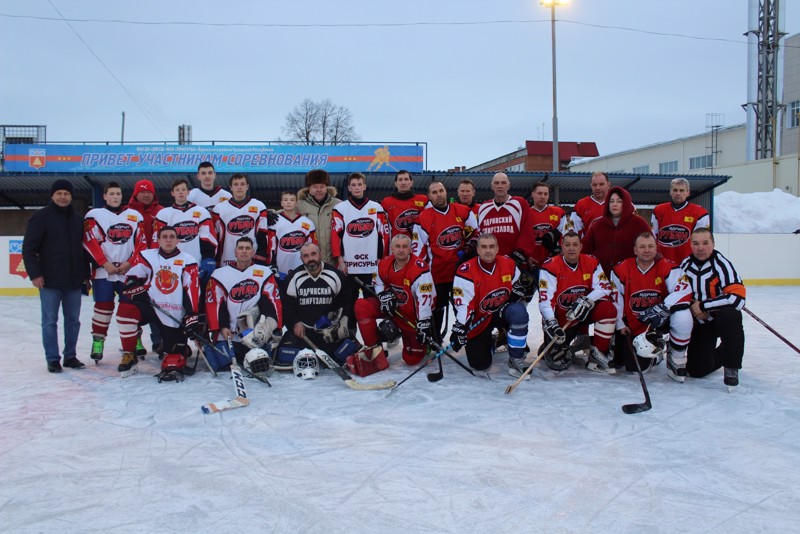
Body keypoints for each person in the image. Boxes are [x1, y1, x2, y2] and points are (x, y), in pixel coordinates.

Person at [22, 179, 89, 373]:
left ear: (71, 196)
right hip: (50, 281)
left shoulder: (77, 219)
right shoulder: (41, 217)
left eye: (66, 194)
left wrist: (85, 276)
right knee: (50, 321)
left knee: (73, 321)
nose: (62, 197)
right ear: (52, 195)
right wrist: (35, 274)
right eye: (59, 193)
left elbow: (82, 251)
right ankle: (53, 359)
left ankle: (70, 356)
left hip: (74, 281)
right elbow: (29, 249)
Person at [117, 226, 200, 377]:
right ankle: (129, 354)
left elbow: (192, 290)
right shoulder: (147, 256)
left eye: (172, 237)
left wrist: (191, 316)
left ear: (177, 240)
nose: (168, 240)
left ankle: (176, 347)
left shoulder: (188, 260)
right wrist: (138, 292)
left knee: (175, 352)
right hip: (150, 306)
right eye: (165, 237)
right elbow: (129, 281)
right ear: (159, 239)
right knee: (125, 310)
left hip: (173, 312)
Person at [611, 233, 693, 380]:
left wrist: (662, 308)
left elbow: (684, 290)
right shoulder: (621, 269)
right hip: (636, 324)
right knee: (635, 367)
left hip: (661, 321)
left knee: (683, 315)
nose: (646, 250)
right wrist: (621, 324)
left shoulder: (669, 267)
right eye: (642, 247)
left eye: (650, 246)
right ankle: (658, 351)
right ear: (635, 250)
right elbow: (616, 299)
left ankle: (676, 357)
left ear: (656, 248)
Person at [450, 234, 533, 376]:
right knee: (480, 365)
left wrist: (521, 292)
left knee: (518, 312)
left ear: (497, 249)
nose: (488, 251)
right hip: (478, 318)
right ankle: (491, 341)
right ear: (478, 250)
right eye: (483, 247)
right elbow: (464, 305)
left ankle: (516, 358)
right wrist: (460, 328)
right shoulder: (465, 270)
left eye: (491, 247)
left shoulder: (508, 264)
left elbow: (519, 290)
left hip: (500, 311)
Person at [82, 182, 146, 363]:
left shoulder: (134, 216)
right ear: (105, 196)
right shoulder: (94, 215)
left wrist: (130, 263)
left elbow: (141, 243)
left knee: (131, 308)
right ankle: (98, 341)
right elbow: (89, 240)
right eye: (111, 193)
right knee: (103, 307)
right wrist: (103, 263)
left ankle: (135, 340)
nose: (115, 197)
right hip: (104, 272)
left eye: (118, 193)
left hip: (128, 272)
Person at [537, 232, 617, 374]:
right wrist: (551, 322)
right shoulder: (550, 266)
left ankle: (597, 353)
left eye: (575, 245)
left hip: (583, 313)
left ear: (581, 246)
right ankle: (554, 345)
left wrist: (586, 301)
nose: (571, 248)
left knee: (608, 309)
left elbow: (604, 287)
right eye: (567, 245)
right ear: (562, 246)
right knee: (556, 360)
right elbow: (545, 301)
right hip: (562, 319)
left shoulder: (591, 262)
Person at [412, 180, 478, 340]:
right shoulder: (423, 218)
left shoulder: (462, 211)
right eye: (434, 192)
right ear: (429, 196)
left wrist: (469, 249)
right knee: (437, 309)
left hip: (461, 274)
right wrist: (422, 274)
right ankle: (434, 339)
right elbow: (417, 250)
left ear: (446, 192)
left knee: (463, 307)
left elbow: (476, 235)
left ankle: (466, 337)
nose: (438, 195)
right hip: (437, 274)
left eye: (440, 191)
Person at [355, 234, 436, 365]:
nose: (401, 250)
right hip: (394, 309)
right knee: (362, 306)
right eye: (397, 246)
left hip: (411, 317)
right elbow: (377, 280)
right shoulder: (386, 263)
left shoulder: (419, 269)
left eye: (405, 246)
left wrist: (424, 322)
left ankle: (419, 342)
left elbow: (426, 299)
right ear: (392, 248)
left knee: (411, 359)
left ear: (411, 249)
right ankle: (374, 350)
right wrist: (383, 295)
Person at [680, 228, 746, 387]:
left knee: (731, 315)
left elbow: (738, 299)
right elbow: (677, 294)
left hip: (720, 320)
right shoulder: (685, 265)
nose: (701, 248)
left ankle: (732, 364)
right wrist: (692, 307)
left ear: (713, 244)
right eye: (696, 243)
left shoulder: (723, 265)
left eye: (705, 243)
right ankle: (724, 351)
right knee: (696, 370)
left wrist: (703, 306)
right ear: (690, 245)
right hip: (701, 323)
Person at [206, 237, 283, 370]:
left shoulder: (264, 273)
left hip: (254, 334)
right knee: (223, 365)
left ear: (253, 252)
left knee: (259, 365)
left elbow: (273, 301)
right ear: (235, 252)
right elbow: (214, 304)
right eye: (240, 248)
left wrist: (274, 327)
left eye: (247, 248)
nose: (244, 251)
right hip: (228, 334)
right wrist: (222, 327)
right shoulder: (219, 274)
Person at [278, 243, 357, 365]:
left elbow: (346, 302)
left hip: (329, 333)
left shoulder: (336, 276)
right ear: (301, 259)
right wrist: (295, 323)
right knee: (284, 356)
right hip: (304, 332)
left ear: (320, 255)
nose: (310, 259)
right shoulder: (293, 278)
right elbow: (287, 305)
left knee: (346, 354)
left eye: (313, 254)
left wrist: (340, 323)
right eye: (306, 256)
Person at [331, 172, 390, 303]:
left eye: (359, 184)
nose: (357, 187)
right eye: (353, 185)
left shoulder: (376, 208)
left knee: (372, 303)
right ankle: (351, 325)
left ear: (364, 186)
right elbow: (335, 236)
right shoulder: (340, 208)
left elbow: (384, 236)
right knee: (349, 302)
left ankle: (370, 325)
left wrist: (382, 259)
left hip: (372, 266)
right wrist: (340, 261)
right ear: (349, 188)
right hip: (349, 266)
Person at [152, 178, 217, 286]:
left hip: (196, 263)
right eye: (177, 190)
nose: (181, 192)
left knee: (195, 299)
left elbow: (208, 238)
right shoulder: (164, 214)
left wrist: (208, 258)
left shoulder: (201, 212)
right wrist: (157, 262)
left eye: (183, 189)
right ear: (172, 193)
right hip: (170, 265)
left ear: (188, 192)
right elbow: (157, 241)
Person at [126, 178, 164, 354]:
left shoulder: (162, 212)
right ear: (135, 194)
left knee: (157, 303)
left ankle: (158, 342)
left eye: (149, 191)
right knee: (134, 304)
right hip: (134, 266)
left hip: (156, 266)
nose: (146, 194)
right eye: (142, 192)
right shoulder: (127, 213)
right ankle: (136, 340)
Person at [581, 186, 651, 275]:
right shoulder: (598, 225)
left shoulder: (639, 223)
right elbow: (583, 248)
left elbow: (653, 248)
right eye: (611, 201)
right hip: (602, 278)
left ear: (626, 203)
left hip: (630, 278)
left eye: (619, 201)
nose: (614, 204)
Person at [212, 173, 271, 267]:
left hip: (252, 259)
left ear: (247, 186)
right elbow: (214, 237)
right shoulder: (219, 209)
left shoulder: (258, 206)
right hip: (226, 259)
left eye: (242, 184)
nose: (239, 187)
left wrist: (260, 256)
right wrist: (214, 258)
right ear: (231, 187)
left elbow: (262, 235)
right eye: (236, 184)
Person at [476, 172, 532, 265]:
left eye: (503, 183)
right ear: (492, 186)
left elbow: (527, 231)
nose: (500, 186)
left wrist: (520, 255)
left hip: (513, 261)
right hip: (489, 261)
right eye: (497, 183)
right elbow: (479, 234)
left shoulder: (520, 203)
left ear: (508, 186)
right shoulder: (483, 207)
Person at [651, 178, 711, 264]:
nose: (678, 193)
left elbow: (701, 242)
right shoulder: (659, 210)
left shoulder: (699, 213)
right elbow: (653, 236)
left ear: (688, 192)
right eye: (675, 190)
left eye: (681, 190)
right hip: (662, 262)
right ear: (670, 192)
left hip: (687, 263)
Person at [517, 181, 568, 272]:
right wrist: (525, 256)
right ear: (532, 194)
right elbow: (519, 238)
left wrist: (562, 253)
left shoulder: (558, 213)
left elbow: (566, 236)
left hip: (553, 261)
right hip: (530, 262)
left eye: (546, 194)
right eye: (539, 193)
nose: (543, 197)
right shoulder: (524, 213)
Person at [297, 169, 341, 264]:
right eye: (315, 187)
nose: (319, 190)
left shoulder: (338, 204)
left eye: (322, 186)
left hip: (333, 260)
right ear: (309, 188)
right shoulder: (300, 205)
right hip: (311, 261)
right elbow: (286, 213)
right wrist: (270, 213)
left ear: (327, 187)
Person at [270, 190, 317, 281]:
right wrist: (272, 263)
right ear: (281, 203)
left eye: (292, 200)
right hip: (281, 267)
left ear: (296, 203)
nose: (288, 202)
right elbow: (271, 246)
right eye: (286, 200)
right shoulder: (274, 221)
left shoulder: (307, 222)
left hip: (302, 267)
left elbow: (313, 246)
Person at [381, 169, 429, 239]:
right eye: (400, 180)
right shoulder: (387, 202)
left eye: (406, 179)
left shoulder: (423, 200)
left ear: (411, 182)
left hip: (418, 242)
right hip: (396, 244)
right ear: (396, 183)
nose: (403, 182)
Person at [569, 171, 610, 237]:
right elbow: (571, 229)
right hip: (590, 246)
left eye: (601, 184)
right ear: (590, 185)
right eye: (594, 185)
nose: (598, 188)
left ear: (608, 185)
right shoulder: (581, 204)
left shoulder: (619, 202)